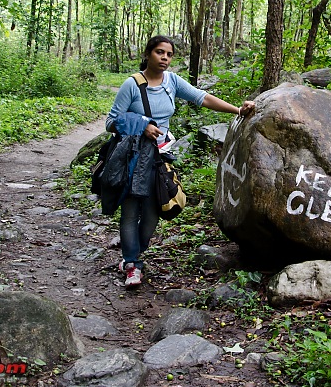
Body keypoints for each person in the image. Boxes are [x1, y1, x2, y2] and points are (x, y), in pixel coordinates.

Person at [106, 35, 255, 289]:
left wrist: (237, 110)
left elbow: (202, 98)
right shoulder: (132, 85)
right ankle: (132, 263)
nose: (164, 58)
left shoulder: (172, 82)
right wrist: (142, 125)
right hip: (133, 157)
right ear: (148, 53)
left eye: (169, 54)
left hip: (159, 158)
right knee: (131, 212)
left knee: (153, 214)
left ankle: (133, 254)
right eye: (159, 53)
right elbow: (111, 122)